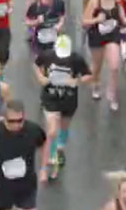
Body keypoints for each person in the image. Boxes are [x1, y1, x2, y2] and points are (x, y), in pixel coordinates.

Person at [34, 34, 91, 177]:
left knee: (64, 127)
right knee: (52, 130)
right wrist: (41, 77)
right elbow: (36, 64)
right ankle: (51, 158)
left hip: (69, 99)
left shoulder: (76, 59)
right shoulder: (47, 55)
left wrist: (76, 81)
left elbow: (88, 75)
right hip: (50, 97)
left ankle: (60, 148)